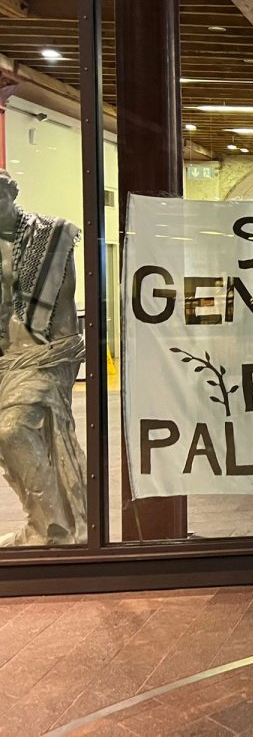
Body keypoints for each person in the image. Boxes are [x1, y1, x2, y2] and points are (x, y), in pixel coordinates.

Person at [0, 169, 86, 546]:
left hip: (42, 356)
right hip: (5, 360)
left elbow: (64, 309)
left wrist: (63, 361)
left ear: (11, 194)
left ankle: (55, 528)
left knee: (13, 429)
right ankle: (43, 521)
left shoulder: (49, 237)